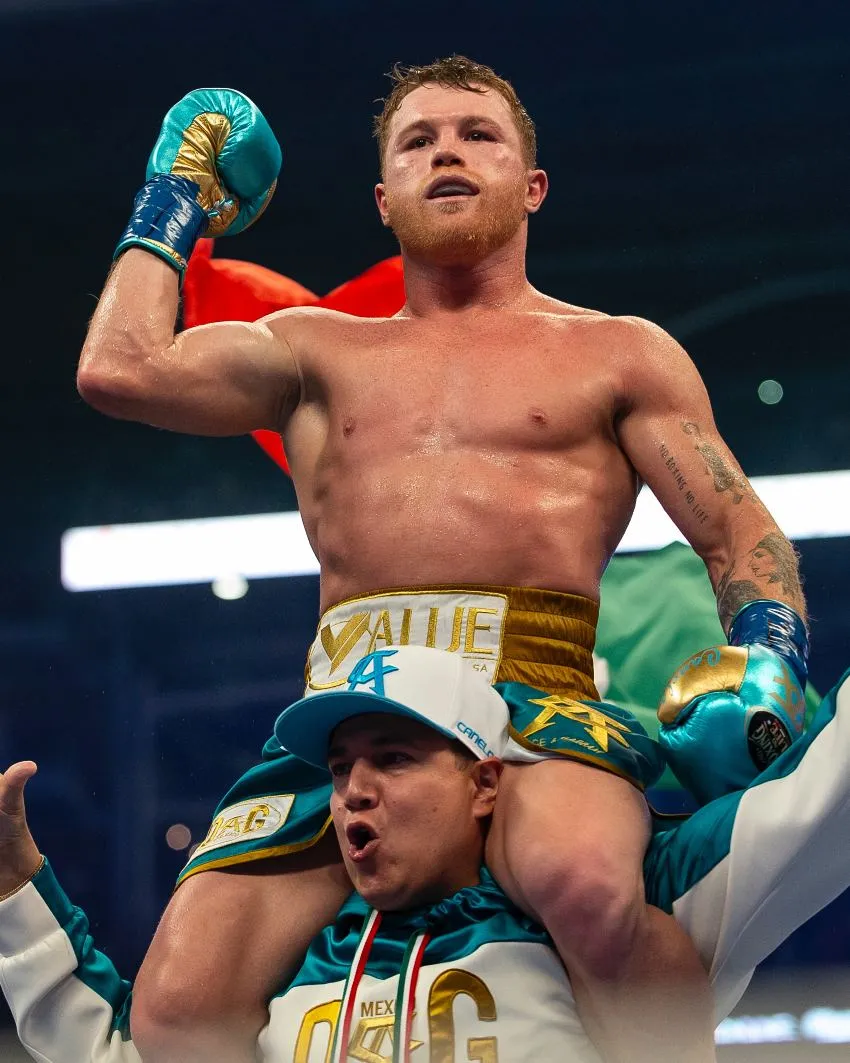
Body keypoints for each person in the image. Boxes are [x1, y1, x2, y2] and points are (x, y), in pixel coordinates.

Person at [75, 58, 810, 1063]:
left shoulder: (618, 353)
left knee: (586, 888)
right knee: (176, 1007)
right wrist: (177, 195)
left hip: (529, 700)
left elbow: (737, 532)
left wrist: (769, 649)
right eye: (417, 141)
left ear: (531, 185)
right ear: (383, 200)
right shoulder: (311, 351)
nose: (447, 152)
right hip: (349, 720)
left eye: (477, 134)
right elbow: (121, 369)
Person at [3, 649, 850, 1062]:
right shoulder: (290, 979)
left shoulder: (616, 918)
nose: (352, 794)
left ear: (486, 783)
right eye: (340, 771)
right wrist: (12, 890)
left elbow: (826, 797)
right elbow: (110, 1053)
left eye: (395, 758)